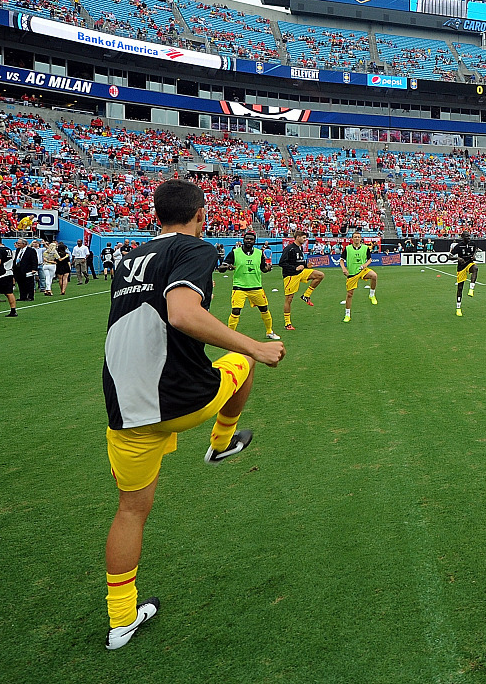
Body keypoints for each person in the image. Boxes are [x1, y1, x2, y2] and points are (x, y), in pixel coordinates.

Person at [101, 179, 285, 650]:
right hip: (178, 398)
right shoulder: (195, 249)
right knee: (242, 363)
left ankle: (120, 620)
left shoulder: (128, 257)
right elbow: (182, 314)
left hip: (123, 405)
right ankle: (221, 443)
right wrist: (255, 346)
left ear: (155, 215)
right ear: (201, 214)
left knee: (130, 511)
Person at [224, 231, 280, 340]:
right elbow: (222, 267)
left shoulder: (259, 253)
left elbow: (263, 268)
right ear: (243, 240)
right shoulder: (235, 252)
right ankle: (229, 336)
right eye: (247, 239)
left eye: (251, 239)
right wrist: (226, 267)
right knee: (235, 310)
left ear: (254, 241)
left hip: (256, 287)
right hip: (239, 287)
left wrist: (267, 268)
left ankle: (269, 332)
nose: (249, 241)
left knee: (264, 309)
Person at [280, 230, 325, 331]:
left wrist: (306, 265)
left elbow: (298, 262)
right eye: (303, 238)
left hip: (301, 273)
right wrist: (294, 268)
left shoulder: (299, 248)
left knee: (320, 275)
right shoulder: (289, 248)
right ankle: (287, 323)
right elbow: (282, 263)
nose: (305, 240)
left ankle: (306, 295)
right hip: (291, 276)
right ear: (297, 237)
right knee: (289, 299)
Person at [339, 231, 377, 323]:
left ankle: (372, 295)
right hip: (352, 273)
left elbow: (369, 259)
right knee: (349, 294)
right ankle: (347, 315)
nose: (356, 238)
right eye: (355, 237)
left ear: (361, 239)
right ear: (352, 239)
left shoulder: (365, 248)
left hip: (362, 270)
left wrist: (365, 265)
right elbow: (341, 260)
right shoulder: (347, 248)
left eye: (358, 237)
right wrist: (344, 268)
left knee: (374, 275)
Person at [452, 231, 477, 317]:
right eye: (467, 236)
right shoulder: (459, 246)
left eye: (469, 236)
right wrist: (458, 258)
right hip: (461, 267)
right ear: (462, 237)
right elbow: (450, 256)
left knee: (475, 268)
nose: (469, 238)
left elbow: (475, 250)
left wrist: (474, 256)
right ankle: (458, 308)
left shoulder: (472, 244)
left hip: (469, 263)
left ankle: (471, 289)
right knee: (460, 288)